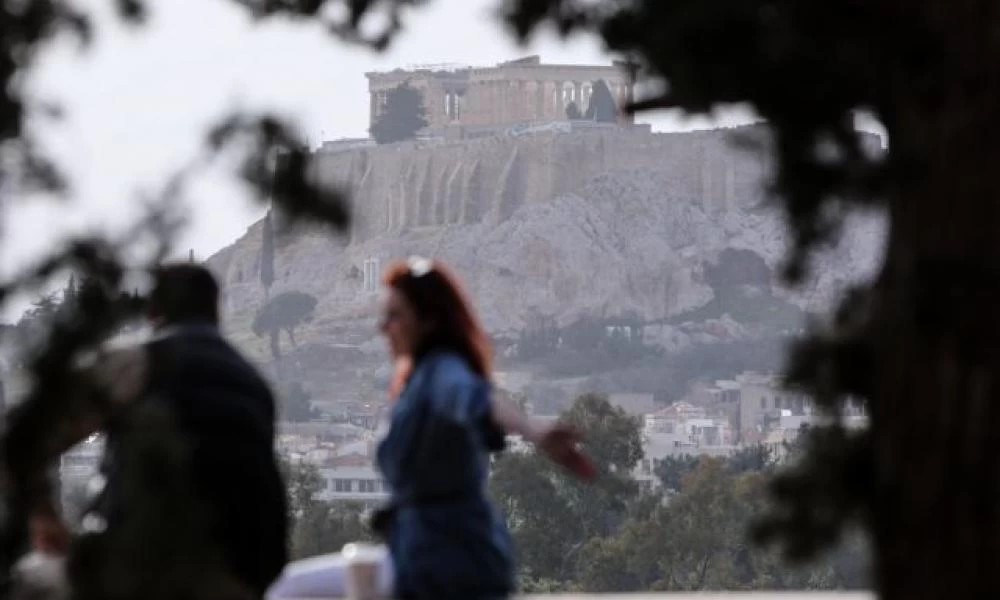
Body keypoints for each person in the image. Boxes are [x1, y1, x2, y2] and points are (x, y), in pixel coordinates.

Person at [267, 257, 595, 600]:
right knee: (289, 589)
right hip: (426, 554)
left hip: (449, 561)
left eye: (395, 316)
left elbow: (475, 397)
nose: (383, 327)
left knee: (286, 591)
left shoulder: (442, 371)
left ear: (429, 320)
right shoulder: (420, 380)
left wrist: (533, 431)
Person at [4, 264, 289, 598]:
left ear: (153, 311)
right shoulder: (255, 386)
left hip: (140, 568)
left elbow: (24, 440)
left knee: (27, 582)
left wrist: (45, 518)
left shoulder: (139, 362)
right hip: (239, 578)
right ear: (215, 311)